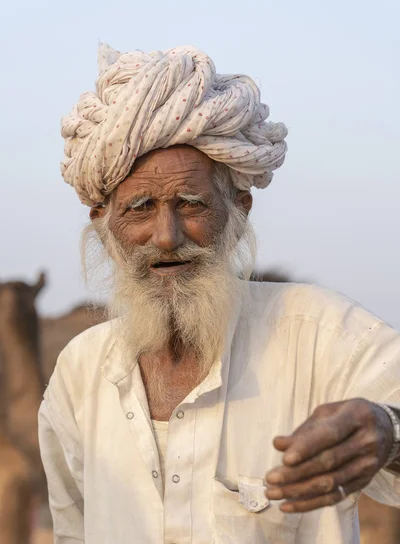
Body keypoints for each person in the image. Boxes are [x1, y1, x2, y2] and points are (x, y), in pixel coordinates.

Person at [38, 44, 400, 544]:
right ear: (103, 223)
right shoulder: (79, 374)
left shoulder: (318, 332)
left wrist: (390, 432)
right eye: (140, 208)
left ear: (239, 209)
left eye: (190, 204)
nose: (166, 236)